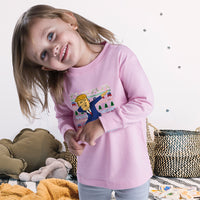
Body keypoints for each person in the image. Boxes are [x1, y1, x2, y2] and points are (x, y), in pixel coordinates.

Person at [12, 4, 154, 200]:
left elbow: (144, 102)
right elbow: (64, 116)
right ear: (45, 68)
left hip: (131, 168)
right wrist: (68, 133)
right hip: (91, 174)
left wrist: (102, 124)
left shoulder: (119, 57)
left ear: (69, 21)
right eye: (43, 54)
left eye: (51, 35)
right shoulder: (60, 83)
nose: (53, 49)